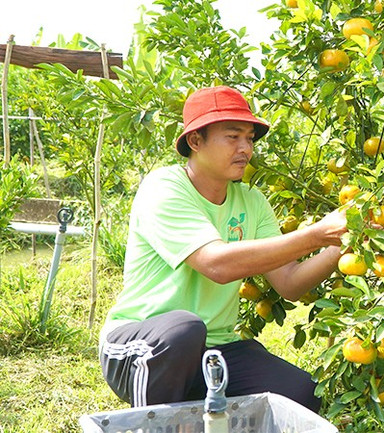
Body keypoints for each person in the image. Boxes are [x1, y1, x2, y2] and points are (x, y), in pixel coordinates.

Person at [98, 85, 347, 412]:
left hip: (215, 348)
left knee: (301, 395)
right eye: (233, 136)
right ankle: (151, 421)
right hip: (142, 347)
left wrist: (342, 243)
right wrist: (315, 235)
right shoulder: (164, 187)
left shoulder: (252, 202)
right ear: (195, 141)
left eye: (250, 138)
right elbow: (216, 264)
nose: (246, 148)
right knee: (184, 330)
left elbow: (290, 282)